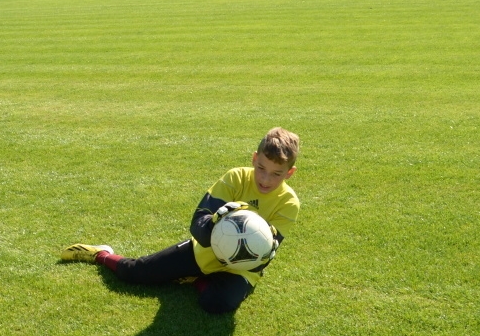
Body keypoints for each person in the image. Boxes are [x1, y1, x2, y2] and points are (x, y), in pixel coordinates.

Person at [61, 128, 301, 316]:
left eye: (276, 174)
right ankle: (100, 255)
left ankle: (199, 280)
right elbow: (198, 224)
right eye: (261, 168)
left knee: (216, 304)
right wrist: (215, 221)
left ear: (289, 173)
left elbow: (262, 259)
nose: (265, 179)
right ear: (254, 158)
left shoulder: (289, 203)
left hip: (239, 270)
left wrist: (262, 253)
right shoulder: (235, 177)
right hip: (203, 252)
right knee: (135, 273)